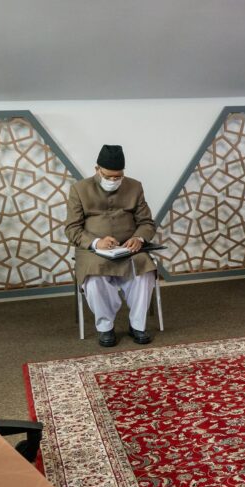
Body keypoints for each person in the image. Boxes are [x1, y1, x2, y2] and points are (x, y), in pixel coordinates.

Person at [65, 145, 157, 347]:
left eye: (118, 177)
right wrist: (96, 242)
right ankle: (105, 327)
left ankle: (138, 325)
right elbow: (72, 229)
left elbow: (147, 222)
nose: (113, 181)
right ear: (97, 169)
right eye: (108, 176)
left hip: (129, 249)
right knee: (94, 279)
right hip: (93, 251)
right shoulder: (79, 189)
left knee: (145, 272)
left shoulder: (135, 187)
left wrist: (139, 238)